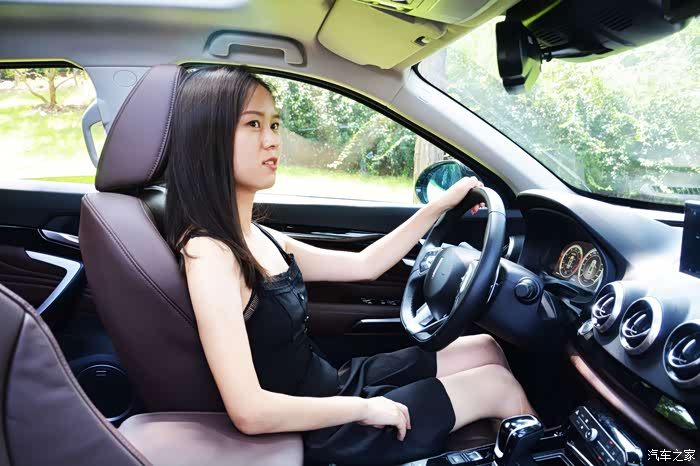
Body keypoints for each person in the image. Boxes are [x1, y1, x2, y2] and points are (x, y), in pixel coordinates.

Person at [164, 65, 536, 465]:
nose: (272, 139)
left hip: (335, 385)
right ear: (209, 137)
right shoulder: (209, 254)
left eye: (274, 124)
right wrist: (363, 409)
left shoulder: (258, 235)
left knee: (486, 347)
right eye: (253, 124)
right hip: (320, 428)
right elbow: (249, 411)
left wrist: (440, 206)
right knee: (497, 385)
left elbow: (364, 264)